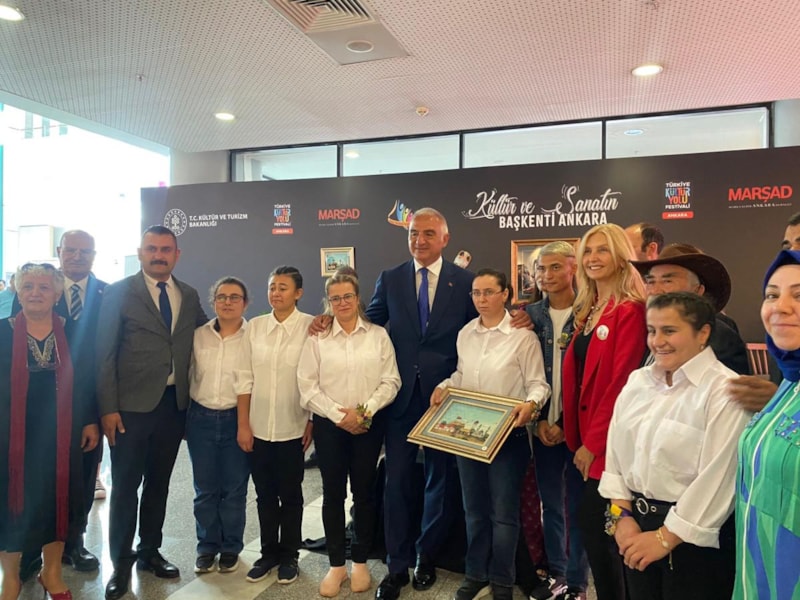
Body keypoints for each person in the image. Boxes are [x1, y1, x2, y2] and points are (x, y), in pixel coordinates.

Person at [348, 207, 530, 600]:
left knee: (440, 485)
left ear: (445, 239)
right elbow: (370, 324)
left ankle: (425, 557)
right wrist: (330, 322)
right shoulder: (391, 278)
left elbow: (484, 325)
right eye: (414, 233)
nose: (419, 240)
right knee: (396, 484)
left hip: (447, 403)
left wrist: (524, 317)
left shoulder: (464, 282)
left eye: (429, 233)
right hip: (400, 400)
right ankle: (396, 567)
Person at [599, 292, 749, 599]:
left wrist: (666, 538)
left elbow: (719, 479)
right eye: (651, 330)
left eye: (669, 330)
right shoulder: (638, 382)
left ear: (703, 333)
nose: (657, 341)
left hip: (693, 540)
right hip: (635, 526)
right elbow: (615, 458)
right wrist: (621, 517)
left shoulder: (724, 391)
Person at [96, 225, 208, 600]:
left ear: (177, 254)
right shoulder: (118, 292)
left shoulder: (188, 294)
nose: (158, 255)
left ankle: (149, 552)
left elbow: (211, 334)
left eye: (165, 249)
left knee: (159, 484)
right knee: (125, 487)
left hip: (174, 406)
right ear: (140, 252)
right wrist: (108, 408)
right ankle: (120, 564)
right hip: (129, 410)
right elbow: (104, 354)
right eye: (152, 248)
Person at [431, 268, 550, 600]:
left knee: (504, 516)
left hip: (508, 439)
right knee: (474, 512)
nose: (481, 299)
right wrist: (444, 386)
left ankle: (502, 582)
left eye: (488, 292)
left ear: (505, 294)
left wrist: (531, 404)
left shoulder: (522, 336)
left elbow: (538, 384)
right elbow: (461, 376)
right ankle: (475, 575)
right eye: (476, 293)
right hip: (470, 437)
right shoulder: (466, 333)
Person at [10, 231, 108, 579]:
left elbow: (93, 366)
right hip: (23, 420)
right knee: (28, 483)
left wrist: (91, 416)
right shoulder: (26, 303)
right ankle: (30, 551)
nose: (77, 256)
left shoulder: (106, 294)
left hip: (76, 412)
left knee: (76, 481)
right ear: (59, 251)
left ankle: (72, 543)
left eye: (85, 251)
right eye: (71, 250)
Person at [298, 272, 401, 597]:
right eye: (336, 298)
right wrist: (338, 416)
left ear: (358, 299)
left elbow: (391, 381)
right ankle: (336, 565)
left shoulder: (377, 336)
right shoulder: (317, 338)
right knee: (332, 495)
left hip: (368, 425)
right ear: (329, 302)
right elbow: (307, 386)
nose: (342, 303)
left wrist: (364, 412)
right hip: (330, 427)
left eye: (347, 296)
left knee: (364, 494)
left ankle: (359, 561)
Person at [562, 223, 647, 600]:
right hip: (584, 440)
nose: (593, 258)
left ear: (621, 257)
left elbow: (621, 385)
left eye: (602, 250)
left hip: (607, 447)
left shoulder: (630, 311)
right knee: (594, 535)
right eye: (588, 251)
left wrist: (593, 444)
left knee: (605, 538)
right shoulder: (589, 310)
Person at [234, 266, 314, 585]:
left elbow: (316, 376)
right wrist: (243, 424)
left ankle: (289, 555)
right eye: (272, 287)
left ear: (298, 293)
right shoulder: (255, 327)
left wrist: (312, 420)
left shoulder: (311, 326)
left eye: (283, 287)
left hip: (293, 426)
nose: (276, 293)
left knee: (291, 495)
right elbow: (244, 378)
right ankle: (268, 553)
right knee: (265, 494)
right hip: (257, 427)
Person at [526, 241, 590, 600]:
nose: (546, 275)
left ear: (572, 268)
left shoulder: (590, 313)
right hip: (541, 427)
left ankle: (578, 581)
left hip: (580, 430)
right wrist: (538, 422)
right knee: (550, 503)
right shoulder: (529, 315)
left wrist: (566, 424)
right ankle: (558, 573)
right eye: (540, 268)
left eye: (554, 267)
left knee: (578, 506)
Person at [735, 249, 800, 597]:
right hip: (760, 576)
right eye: (772, 295)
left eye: (799, 295)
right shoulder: (789, 381)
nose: (780, 307)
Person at [186, 277, 250, 575]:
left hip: (237, 418)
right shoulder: (198, 336)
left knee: (234, 489)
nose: (227, 302)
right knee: (205, 489)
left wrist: (245, 424)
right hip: (200, 419)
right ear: (213, 303)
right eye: (221, 297)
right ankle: (207, 547)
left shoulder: (253, 336)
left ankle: (231, 547)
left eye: (235, 297)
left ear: (245, 303)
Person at [632, 243, 750, 375]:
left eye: (667, 281)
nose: (655, 291)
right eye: (651, 282)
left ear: (698, 291)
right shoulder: (648, 331)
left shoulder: (719, 336)